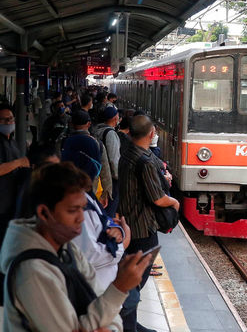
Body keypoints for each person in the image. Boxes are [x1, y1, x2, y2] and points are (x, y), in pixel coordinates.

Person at [0, 162, 152, 331]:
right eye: (72, 210)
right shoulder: (32, 272)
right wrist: (119, 288)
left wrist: (105, 326)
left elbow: (106, 309)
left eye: (82, 208)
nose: (81, 218)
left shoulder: (67, 249)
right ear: (44, 213)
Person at [118, 115, 179, 332]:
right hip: (143, 228)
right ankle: (127, 324)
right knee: (136, 279)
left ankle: (129, 321)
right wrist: (175, 202)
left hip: (128, 222)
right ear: (152, 133)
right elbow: (158, 198)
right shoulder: (144, 161)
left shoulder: (127, 153)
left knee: (132, 275)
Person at [61, 110, 113, 209]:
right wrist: (106, 193)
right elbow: (105, 169)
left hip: (68, 189)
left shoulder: (64, 142)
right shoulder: (97, 143)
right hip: (90, 189)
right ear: (89, 124)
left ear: (71, 123)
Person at [0, 102, 30, 246]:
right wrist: (19, 163)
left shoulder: (11, 141)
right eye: (5, 119)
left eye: (11, 118)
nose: (9, 122)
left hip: (11, 201)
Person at [95, 107, 121, 217]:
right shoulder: (111, 134)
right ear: (115, 118)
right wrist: (118, 177)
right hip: (110, 179)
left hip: (99, 176)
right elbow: (114, 160)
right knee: (109, 209)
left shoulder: (97, 130)